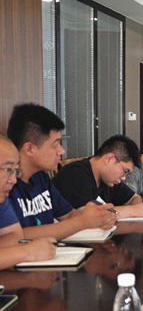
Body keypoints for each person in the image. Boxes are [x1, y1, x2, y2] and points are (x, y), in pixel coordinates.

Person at [6, 103, 117, 240]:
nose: (61, 151)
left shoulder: (41, 177)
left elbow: (68, 215)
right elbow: (15, 236)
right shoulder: (6, 185)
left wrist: (96, 215)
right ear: (29, 149)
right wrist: (81, 222)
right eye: (55, 144)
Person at [53, 135, 143, 218]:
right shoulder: (75, 174)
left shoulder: (109, 180)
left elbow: (133, 199)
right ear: (109, 158)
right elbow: (86, 217)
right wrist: (132, 211)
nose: (124, 178)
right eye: (124, 171)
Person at [0, 133, 57, 269]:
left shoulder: (2, 199)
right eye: (8, 170)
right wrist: (26, 252)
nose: (13, 180)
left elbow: (15, 235)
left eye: (15, 171)